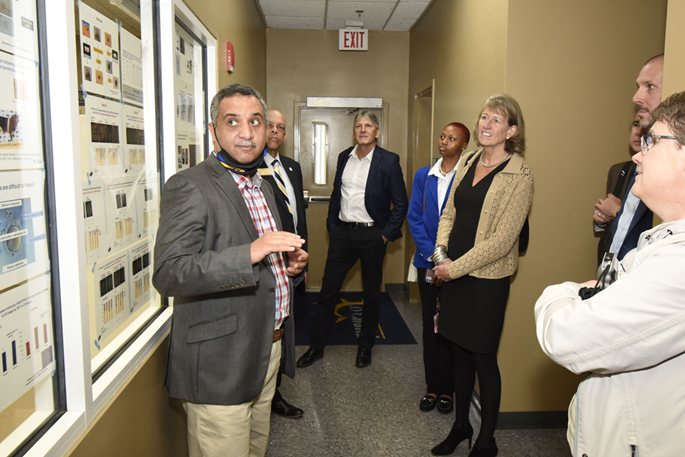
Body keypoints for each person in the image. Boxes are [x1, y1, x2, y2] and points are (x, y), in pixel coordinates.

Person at [153, 84, 308, 457]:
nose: (247, 132)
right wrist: (251, 253)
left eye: (255, 121)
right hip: (220, 361)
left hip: (266, 348)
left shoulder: (261, 186)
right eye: (232, 121)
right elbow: (169, 272)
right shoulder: (190, 185)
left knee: (256, 448)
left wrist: (291, 269)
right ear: (213, 131)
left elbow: (267, 264)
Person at [535, 90, 685, 457]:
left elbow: (565, 335)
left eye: (652, 141)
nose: (638, 152)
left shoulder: (678, 265)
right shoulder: (660, 241)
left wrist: (561, 293)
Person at [431, 94, 533, 457]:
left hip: (486, 282)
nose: (486, 125)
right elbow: (448, 214)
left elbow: (504, 241)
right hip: (453, 273)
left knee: (483, 359)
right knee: (458, 352)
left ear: (512, 130)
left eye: (496, 120)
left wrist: (451, 269)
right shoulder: (468, 160)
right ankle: (461, 426)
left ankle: (486, 441)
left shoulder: (519, 174)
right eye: (484, 118)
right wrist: (441, 254)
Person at [297, 110, 408, 368]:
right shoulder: (343, 157)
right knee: (327, 291)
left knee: (371, 294)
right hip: (342, 235)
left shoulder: (389, 161)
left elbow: (400, 204)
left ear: (377, 132)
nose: (362, 129)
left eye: (368, 125)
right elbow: (337, 195)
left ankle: (365, 347)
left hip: (372, 235)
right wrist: (332, 226)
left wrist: (384, 236)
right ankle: (316, 347)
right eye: (358, 125)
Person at [407, 122, 470, 414]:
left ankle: (449, 389)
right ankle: (432, 387)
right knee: (430, 326)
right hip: (428, 263)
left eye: (452, 138)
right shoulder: (424, 175)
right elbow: (414, 218)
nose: (444, 142)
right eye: (442, 137)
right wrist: (435, 257)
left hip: (456, 266)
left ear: (464, 146)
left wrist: (448, 260)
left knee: (450, 329)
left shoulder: (468, 177)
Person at [258, 108, 308, 419]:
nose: (275, 132)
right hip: (267, 262)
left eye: (281, 127)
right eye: (270, 126)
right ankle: (268, 396)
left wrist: (303, 251)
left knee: (285, 328)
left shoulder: (290, 166)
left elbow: (296, 214)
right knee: (269, 330)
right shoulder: (251, 168)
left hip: (292, 260)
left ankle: (274, 390)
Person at [594, 54, 663, 262]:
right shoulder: (626, 167)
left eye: (650, 86)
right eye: (638, 86)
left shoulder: (672, 166)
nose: (636, 97)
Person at [594, 114, 650, 264]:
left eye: (646, 127)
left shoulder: (657, 176)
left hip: (638, 264)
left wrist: (618, 212)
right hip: (609, 262)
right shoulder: (618, 170)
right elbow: (610, 222)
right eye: (636, 124)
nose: (638, 132)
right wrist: (601, 219)